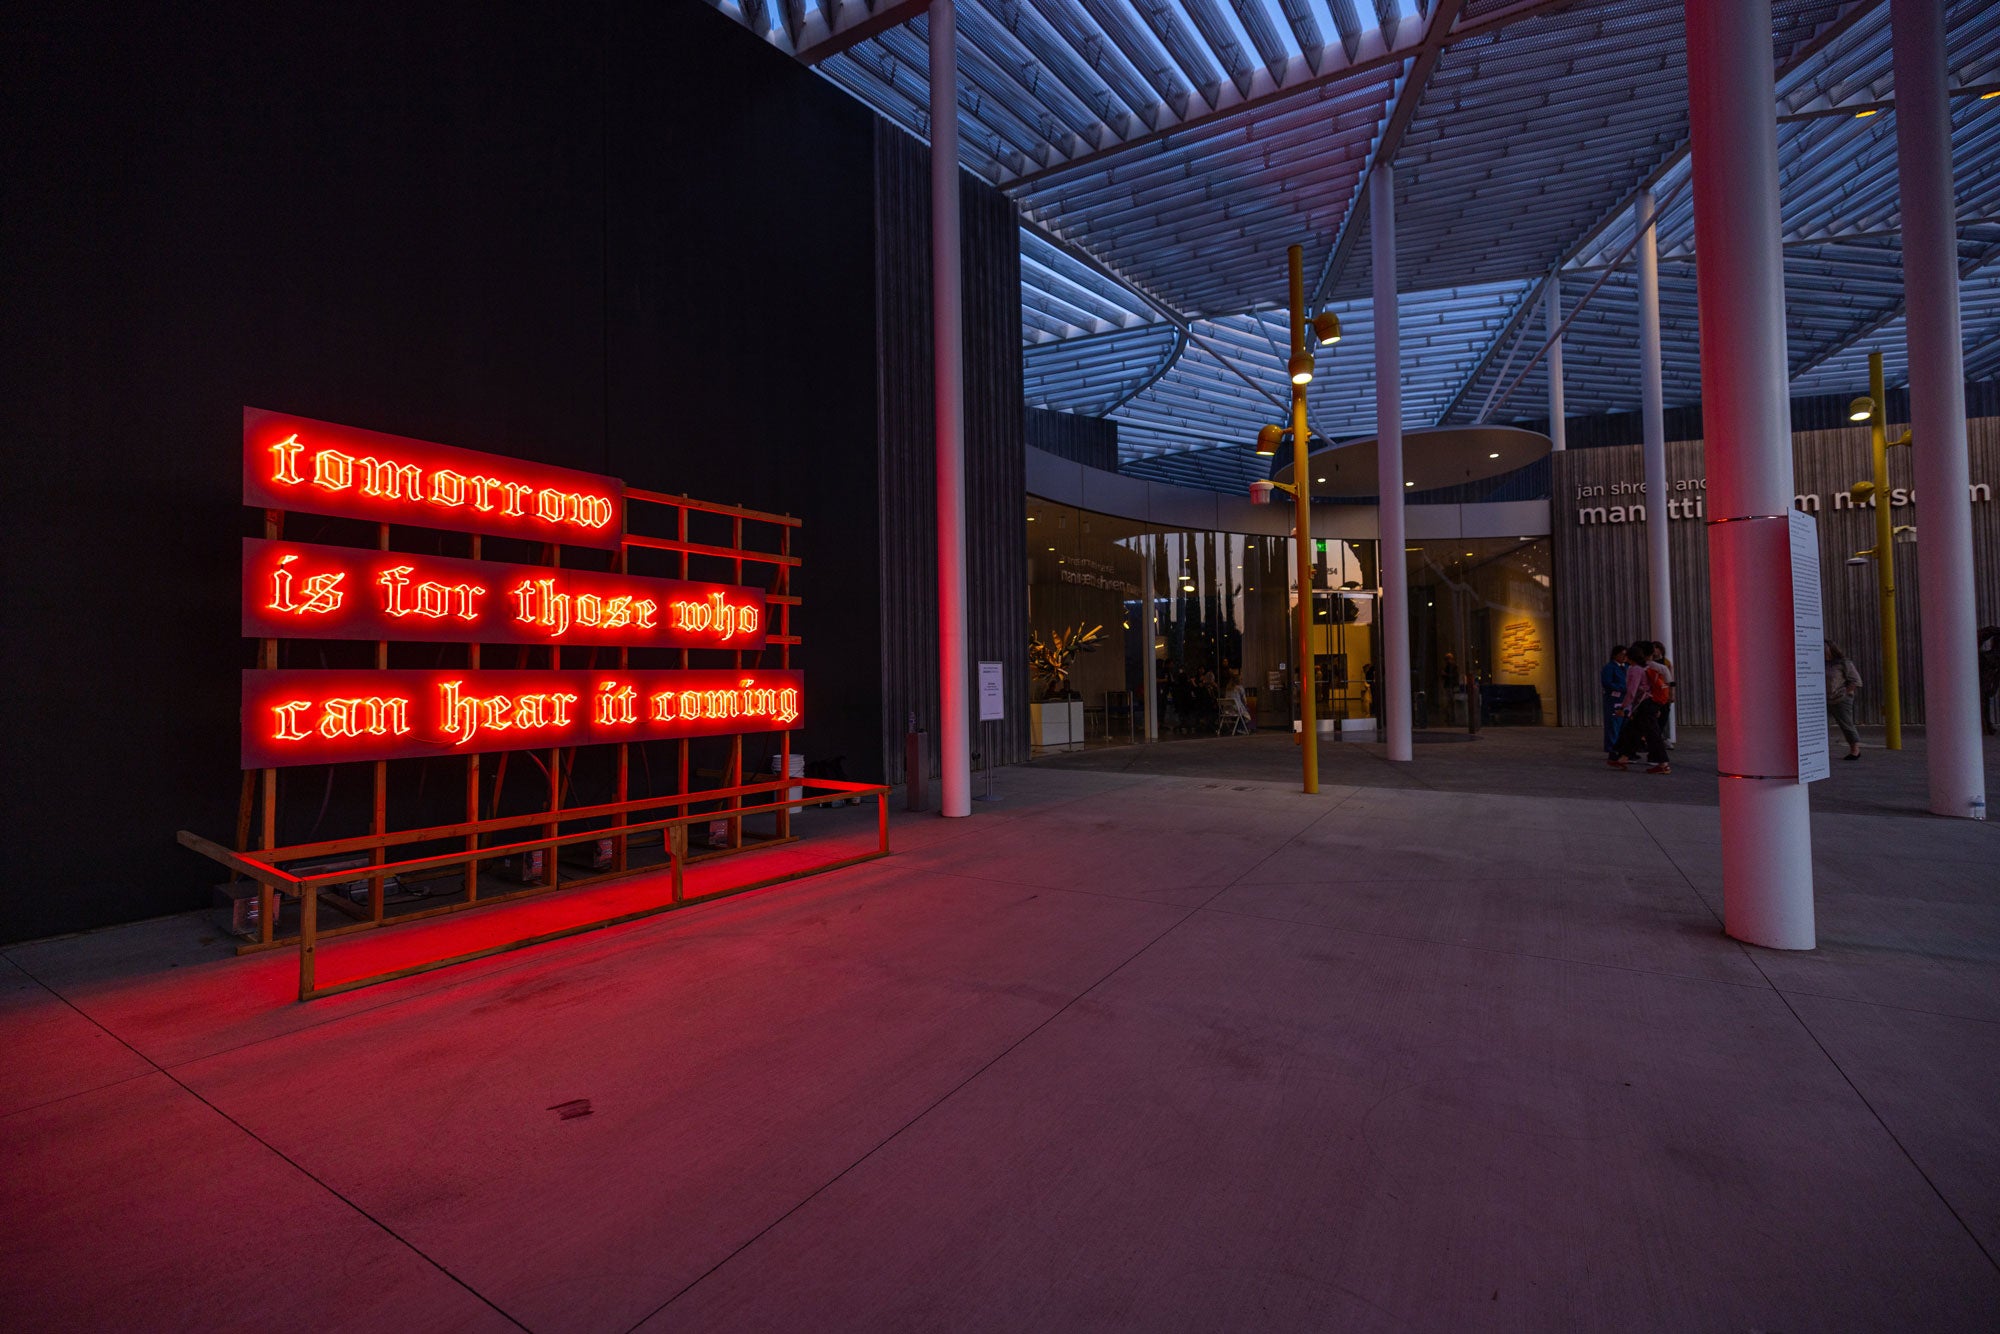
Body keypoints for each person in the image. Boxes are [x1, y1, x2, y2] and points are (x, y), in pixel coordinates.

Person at [1609, 642, 1670, 773]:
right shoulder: (1645, 668)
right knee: (1633, 731)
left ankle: (1663, 764)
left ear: (1630, 658)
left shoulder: (1635, 670)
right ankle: (1623, 758)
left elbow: (1632, 691)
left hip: (1644, 706)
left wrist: (1623, 707)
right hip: (1649, 704)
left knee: (1652, 734)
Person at [1825, 642, 1862, 760]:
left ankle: (1855, 750)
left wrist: (1847, 692)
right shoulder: (1820, 664)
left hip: (1840, 698)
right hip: (1822, 699)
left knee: (1846, 724)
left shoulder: (1843, 663)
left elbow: (1855, 680)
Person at [1646, 640, 1677, 749]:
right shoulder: (1648, 664)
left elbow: (1671, 680)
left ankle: (1664, 738)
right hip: (1653, 693)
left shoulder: (1666, 663)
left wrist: (1672, 694)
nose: (1655, 650)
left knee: (1664, 716)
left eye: (1656, 647)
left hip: (1664, 692)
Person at [1600, 645, 1628, 755]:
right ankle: (1611, 745)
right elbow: (1607, 683)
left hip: (1624, 698)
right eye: (1622, 654)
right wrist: (1622, 688)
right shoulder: (1609, 667)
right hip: (1613, 698)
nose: (1624, 657)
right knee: (1613, 722)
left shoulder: (1626, 667)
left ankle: (1621, 745)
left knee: (1623, 722)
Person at [1979, 626, 2000, 737]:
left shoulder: (1988, 657)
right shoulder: (1985, 657)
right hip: (1982, 686)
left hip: (1985, 686)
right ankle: (1985, 726)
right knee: (1983, 704)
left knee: (1984, 704)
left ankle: (1986, 726)